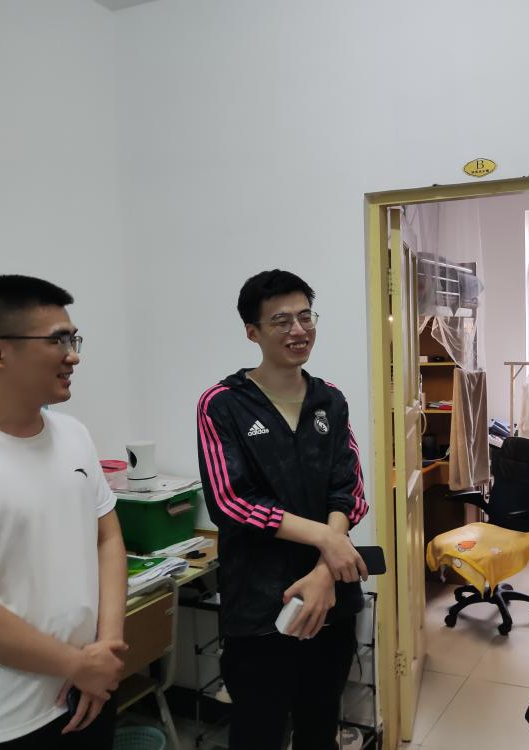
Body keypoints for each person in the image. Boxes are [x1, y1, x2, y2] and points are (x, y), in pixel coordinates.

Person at [0, 275, 128, 749]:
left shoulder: (73, 434)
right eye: (58, 340)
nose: (73, 356)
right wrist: (76, 664)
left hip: (90, 691)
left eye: (74, 340)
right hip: (1, 722)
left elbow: (107, 538)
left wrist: (106, 650)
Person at [196, 269, 369, 750]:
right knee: (258, 732)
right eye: (281, 321)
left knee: (319, 726)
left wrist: (324, 570)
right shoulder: (223, 405)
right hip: (258, 605)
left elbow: (349, 489)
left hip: (331, 598)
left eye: (305, 317)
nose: (298, 330)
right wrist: (328, 540)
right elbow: (231, 502)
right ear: (252, 332)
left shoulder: (330, 400)